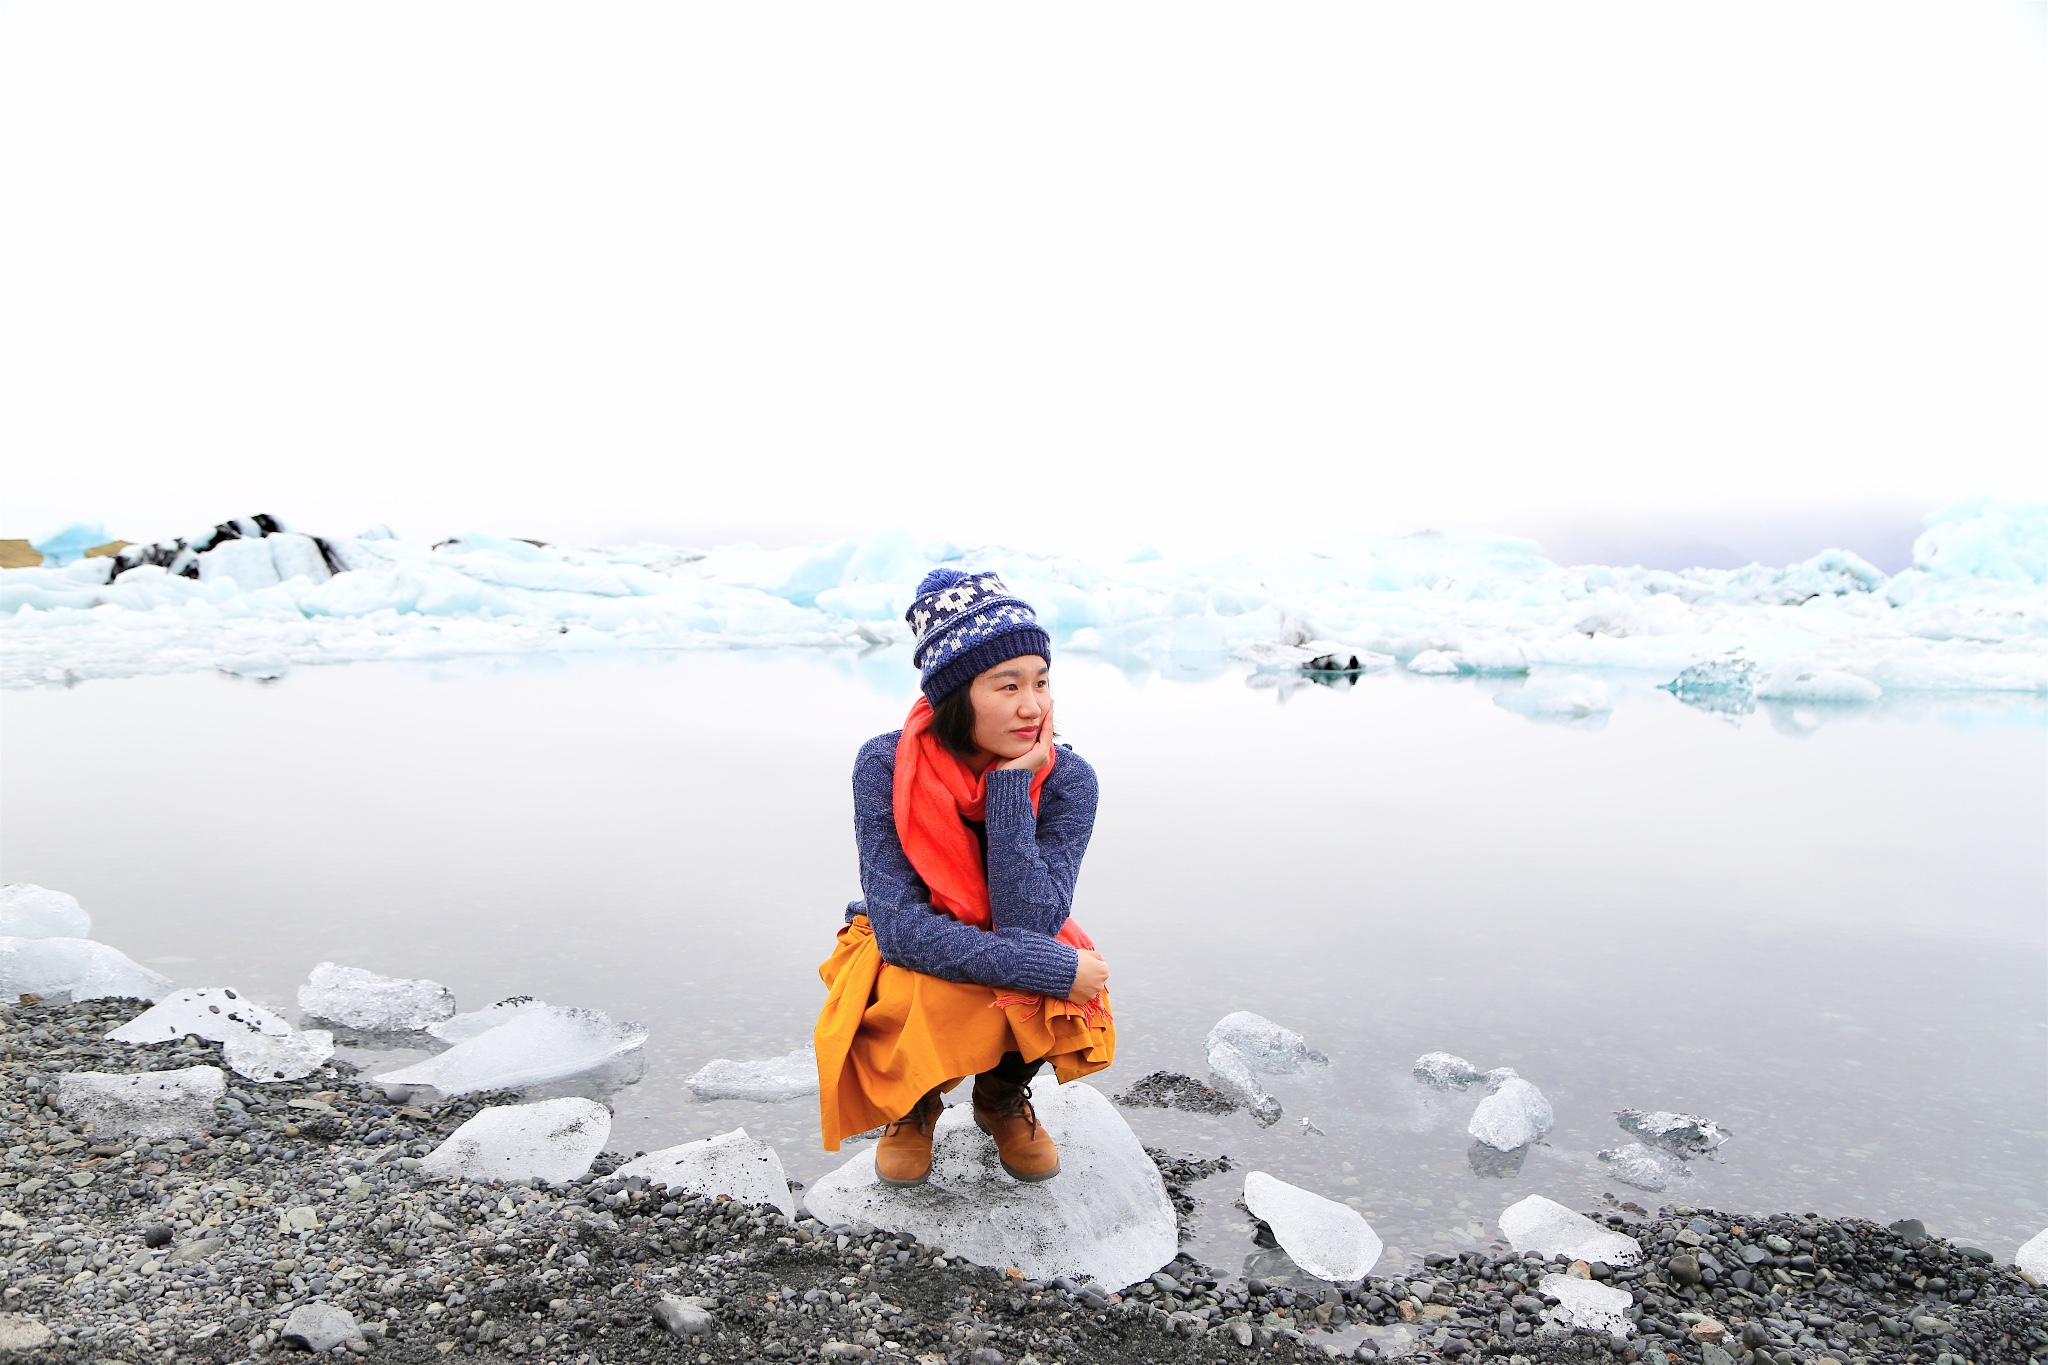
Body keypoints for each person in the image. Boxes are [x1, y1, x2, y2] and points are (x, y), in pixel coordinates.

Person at [813, 568, 1114, 1185]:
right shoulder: (885, 763)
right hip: (904, 941)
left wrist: (1010, 788)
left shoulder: (1068, 778)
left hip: (1009, 928)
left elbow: (1029, 921)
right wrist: (1053, 968)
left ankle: (1000, 1098)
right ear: (957, 695)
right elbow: (902, 931)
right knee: (927, 983)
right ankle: (914, 1105)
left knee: (1062, 972)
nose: (1032, 706)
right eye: (1007, 685)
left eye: (1041, 682)